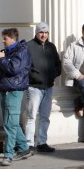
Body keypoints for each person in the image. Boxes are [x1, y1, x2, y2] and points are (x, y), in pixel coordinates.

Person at [0, 27, 34, 166]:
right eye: (3, 38)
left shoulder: (22, 51)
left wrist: (2, 60)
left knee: (10, 124)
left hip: (14, 91)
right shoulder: (6, 52)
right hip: (3, 90)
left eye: (5, 38)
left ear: (13, 38)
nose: (3, 41)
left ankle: (8, 154)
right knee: (10, 123)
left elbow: (13, 69)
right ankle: (24, 149)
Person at [25, 22, 62, 153]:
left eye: (46, 33)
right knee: (31, 116)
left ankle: (42, 142)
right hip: (34, 87)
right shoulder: (29, 46)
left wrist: (55, 73)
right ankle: (29, 144)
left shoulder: (51, 46)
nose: (44, 35)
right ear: (36, 32)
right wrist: (33, 76)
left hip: (48, 87)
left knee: (45, 116)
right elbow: (25, 66)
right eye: (41, 32)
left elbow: (58, 63)